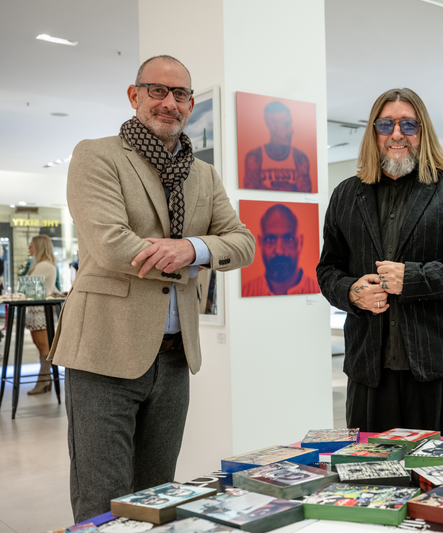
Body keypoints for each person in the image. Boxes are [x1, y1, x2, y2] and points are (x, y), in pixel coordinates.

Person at [50, 55, 255, 522]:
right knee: (102, 499)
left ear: (190, 105)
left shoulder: (203, 174)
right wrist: (193, 258)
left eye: (180, 94)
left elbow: (242, 242)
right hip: (104, 352)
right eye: (157, 91)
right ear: (134, 95)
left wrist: (192, 247)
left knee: (157, 496)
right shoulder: (97, 155)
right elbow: (110, 245)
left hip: (174, 359)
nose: (169, 103)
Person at [317, 88, 443, 437]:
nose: (397, 134)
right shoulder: (345, 194)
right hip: (369, 371)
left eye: (408, 125)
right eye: (386, 124)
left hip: (439, 367)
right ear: (374, 132)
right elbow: (327, 270)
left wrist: (413, 279)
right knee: (371, 470)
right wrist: (352, 292)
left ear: (423, 131)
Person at [242, 204, 320, 296]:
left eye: (288, 239)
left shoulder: (319, 291)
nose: (279, 251)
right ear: (260, 242)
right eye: (270, 239)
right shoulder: (245, 292)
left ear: (300, 242)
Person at [243, 101, 312, 192]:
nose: (291, 130)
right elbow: (249, 193)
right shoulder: (255, 157)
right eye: (287, 124)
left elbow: (305, 194)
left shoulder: (300, 158)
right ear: (272, 125)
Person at [24, 235, 58, 395]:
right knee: (41, 346)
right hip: (36, 309)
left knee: (43, 346)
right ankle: (45, 379)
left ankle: (43, 380)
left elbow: (28, 287)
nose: (29, 248)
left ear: (39, 247)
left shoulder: (43, 265)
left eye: (31, 245)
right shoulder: (41, 264)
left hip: (40, 310)